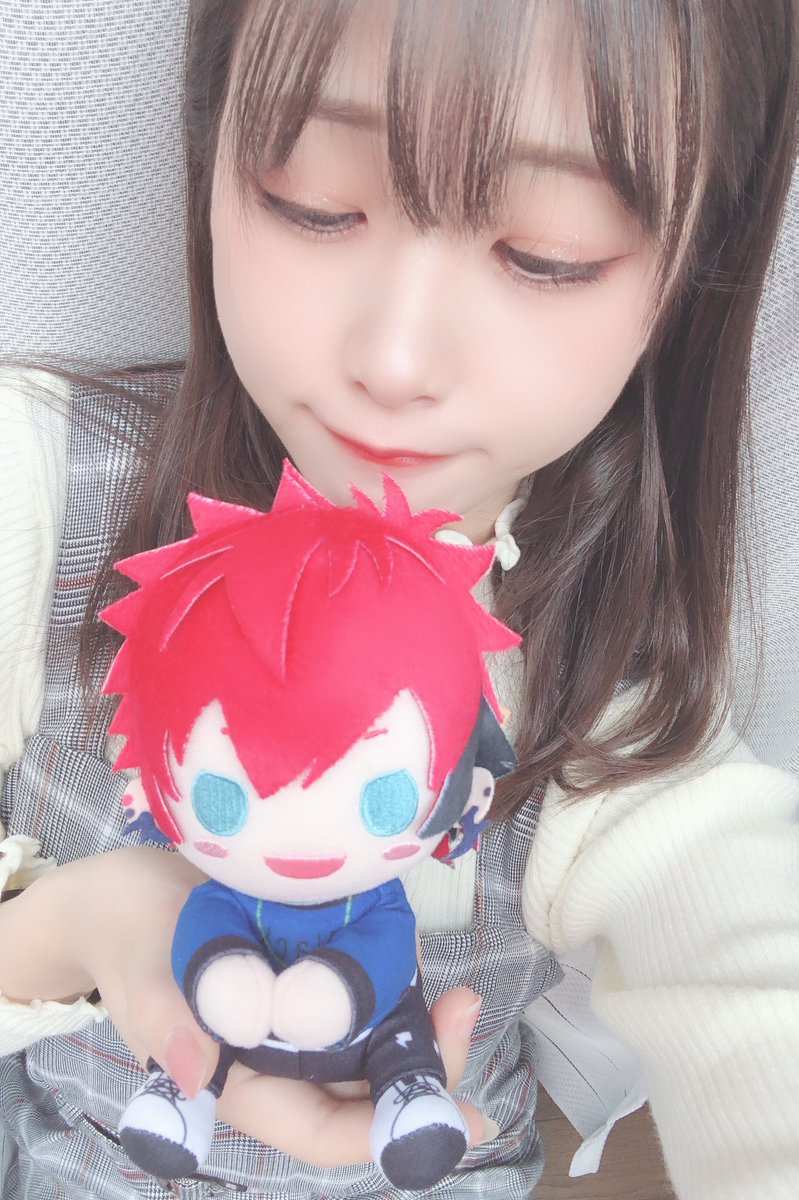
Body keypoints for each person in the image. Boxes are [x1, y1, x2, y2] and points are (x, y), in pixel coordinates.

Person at [0, 1, 797, 1197]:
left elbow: (753, 981)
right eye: (314, 202)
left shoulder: (608, 692)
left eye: (547, 253)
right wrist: (62, 931)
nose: (395, 359)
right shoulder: (39, 494)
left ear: (693, 262)